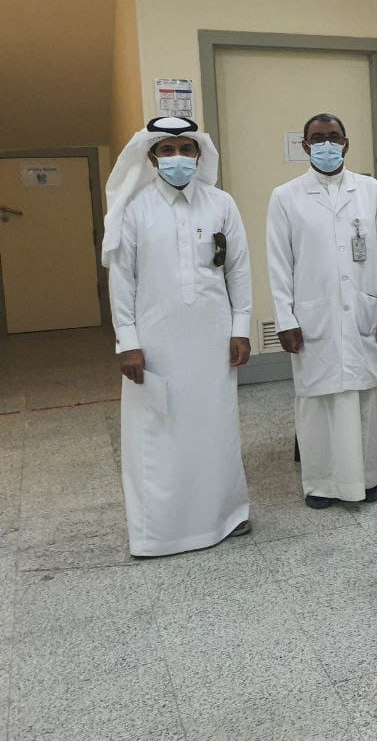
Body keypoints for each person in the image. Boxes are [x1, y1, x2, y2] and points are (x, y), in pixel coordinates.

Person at [104, 116, 252, 556]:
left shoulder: (221, 204)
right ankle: (160, 532)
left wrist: (240, 329)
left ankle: (226, 515)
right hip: (155, 343)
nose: (177, 158)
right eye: (167, 150)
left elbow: (238, 270)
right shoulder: (135, 209)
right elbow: (122, 281)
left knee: (216, 427)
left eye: (186, 149)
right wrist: (127, 342)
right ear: (151, 158)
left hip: (212, 338)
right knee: (159, 434)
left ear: (199, 155)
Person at [266, 113, 377, 509]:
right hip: (313, 316)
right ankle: (322, 484)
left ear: (346, 142)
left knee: (364, 395)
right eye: (318, 138)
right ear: (305, 146)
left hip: (363, 311)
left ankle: (368, 477)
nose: (327, 144)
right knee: (318, 400)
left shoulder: (372, 191)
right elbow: (278, 263)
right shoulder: (285, 196)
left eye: (334, 137)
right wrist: (285, 318)